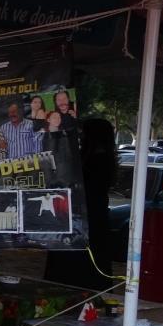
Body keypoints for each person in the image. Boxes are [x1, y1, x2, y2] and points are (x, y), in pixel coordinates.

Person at [45, 119, 117, 291]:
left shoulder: (95, 162)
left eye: (84, 134)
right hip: (91, 220)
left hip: (85, 221)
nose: (81, 137)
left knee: (78, 265)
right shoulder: (101, 159)